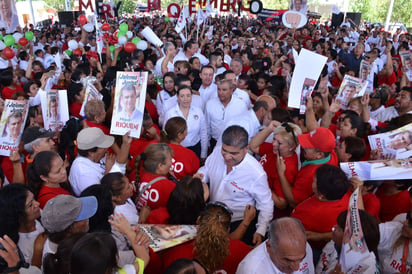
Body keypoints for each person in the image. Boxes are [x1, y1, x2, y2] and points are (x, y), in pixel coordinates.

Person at [197, 126, 273, 246]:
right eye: (224, 150)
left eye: (233, 153)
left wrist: (261, 230)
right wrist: (200, 176)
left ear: (246, 149)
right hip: (211, 216)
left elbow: (266, 204)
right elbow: (206, 168)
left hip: (236, 223)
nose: (227, 156)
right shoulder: (217, 152)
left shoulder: (256, 173)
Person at [161, 202, 252, 273]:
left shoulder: (176, 253)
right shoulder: (243, 251)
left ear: (198, 220)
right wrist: (245, 222)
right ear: (228, 230)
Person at [277, 127, 338, 208]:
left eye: (308, 146)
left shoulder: (310, 174)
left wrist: (281, 174)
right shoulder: (331, 153)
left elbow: (293, 200)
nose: (302, 146)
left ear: (319, 155)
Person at [236, 217, 314, 274]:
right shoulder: (252, 270)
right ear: (269, 246)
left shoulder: (304, 247)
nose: (296, 267)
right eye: (288, 260)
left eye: (301, 258)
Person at [69, 127, 130, 196]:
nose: (107, 148)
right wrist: (108, 172)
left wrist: (126, 143)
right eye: (103, 147)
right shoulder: (84, 173)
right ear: (91, 152)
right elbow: (101, 197)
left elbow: (120, 166)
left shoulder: (97, 157)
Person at [0, 183, 45, 269]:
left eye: (34, 199)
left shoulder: (40, 214)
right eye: (30, 205)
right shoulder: (15, 245)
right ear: (17, 215)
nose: (37, 204)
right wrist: (38, 250)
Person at [41, 195, 98, 259]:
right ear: (69, 230)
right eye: (82, 216)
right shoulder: (71, 259)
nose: (87, 218)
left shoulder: (56, 242)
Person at [134, 143, 177, 223]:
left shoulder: (135, 174)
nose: (171, 163)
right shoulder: (169, 187)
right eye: (170, 159)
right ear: (160, 166)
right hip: (156, 227)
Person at [163, 86, 208, 160]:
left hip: (195, 148)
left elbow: (203, 133)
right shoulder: (170, 113)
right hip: (176, 150)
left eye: (188, 96)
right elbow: (165, 134)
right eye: (182, 96)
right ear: (177, 97)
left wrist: (203, 154)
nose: (185, 99)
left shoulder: (198, 111)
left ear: (191, 96)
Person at [205, 80, 248, 150]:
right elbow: (207, 126)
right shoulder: (210, 104)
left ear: (231, 90)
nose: (220, 93)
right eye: (219, 89)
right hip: (214, 142)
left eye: (224, 90)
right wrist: (207, 144)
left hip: (234, 145)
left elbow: (245, 126)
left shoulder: (241, 105)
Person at [378, 207, 412, 273]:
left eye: (411, 223)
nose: (405, 222)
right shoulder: (397, 226)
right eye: (408, 216)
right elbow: (372, 232)